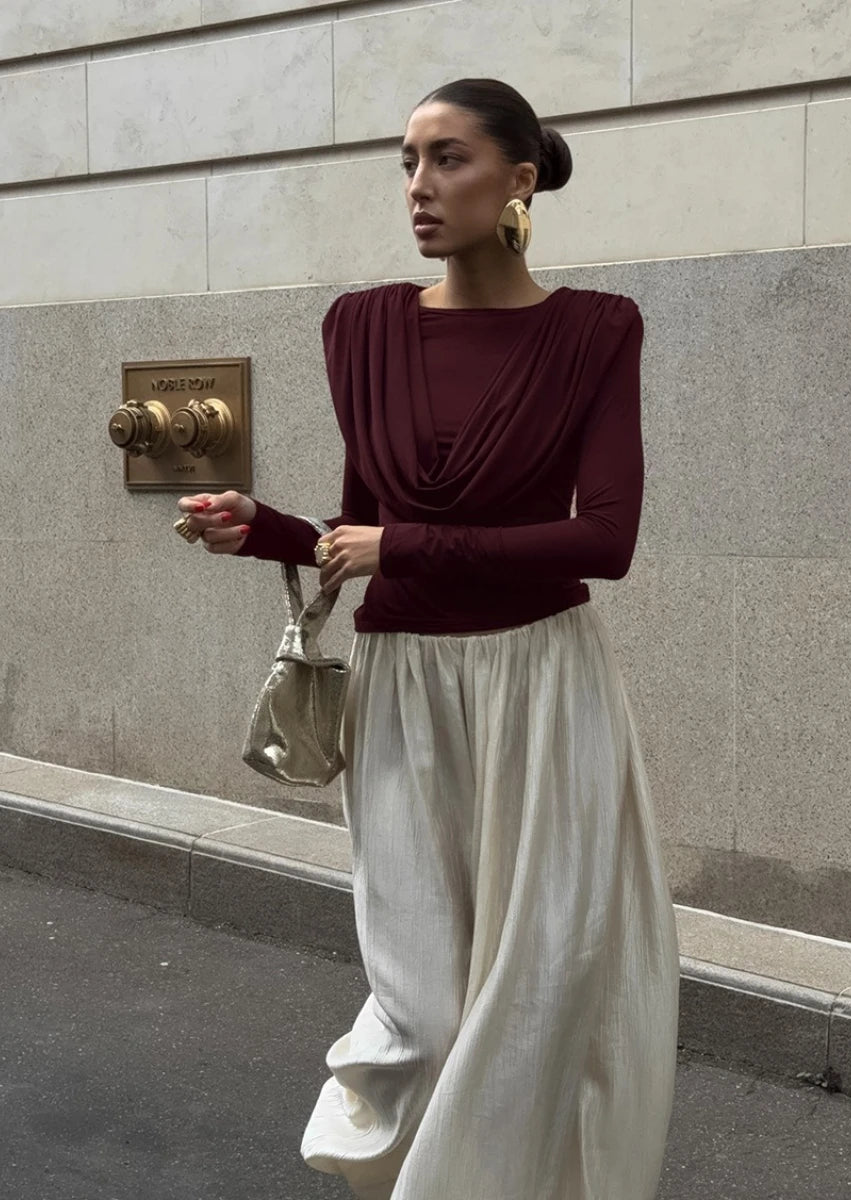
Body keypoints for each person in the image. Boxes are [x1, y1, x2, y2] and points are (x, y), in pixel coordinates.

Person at [176, 77, 680, 1200]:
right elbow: (365, 523)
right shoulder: (360, 325)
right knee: (420, 1004)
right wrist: (267, 532)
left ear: (520, 179)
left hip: (543, 687)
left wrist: (401, 548)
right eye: (406, 161)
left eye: (447, 159)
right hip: (402, 691)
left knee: (543, 983)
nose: (417, 186)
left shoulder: (595, 328)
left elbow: (604, 540)